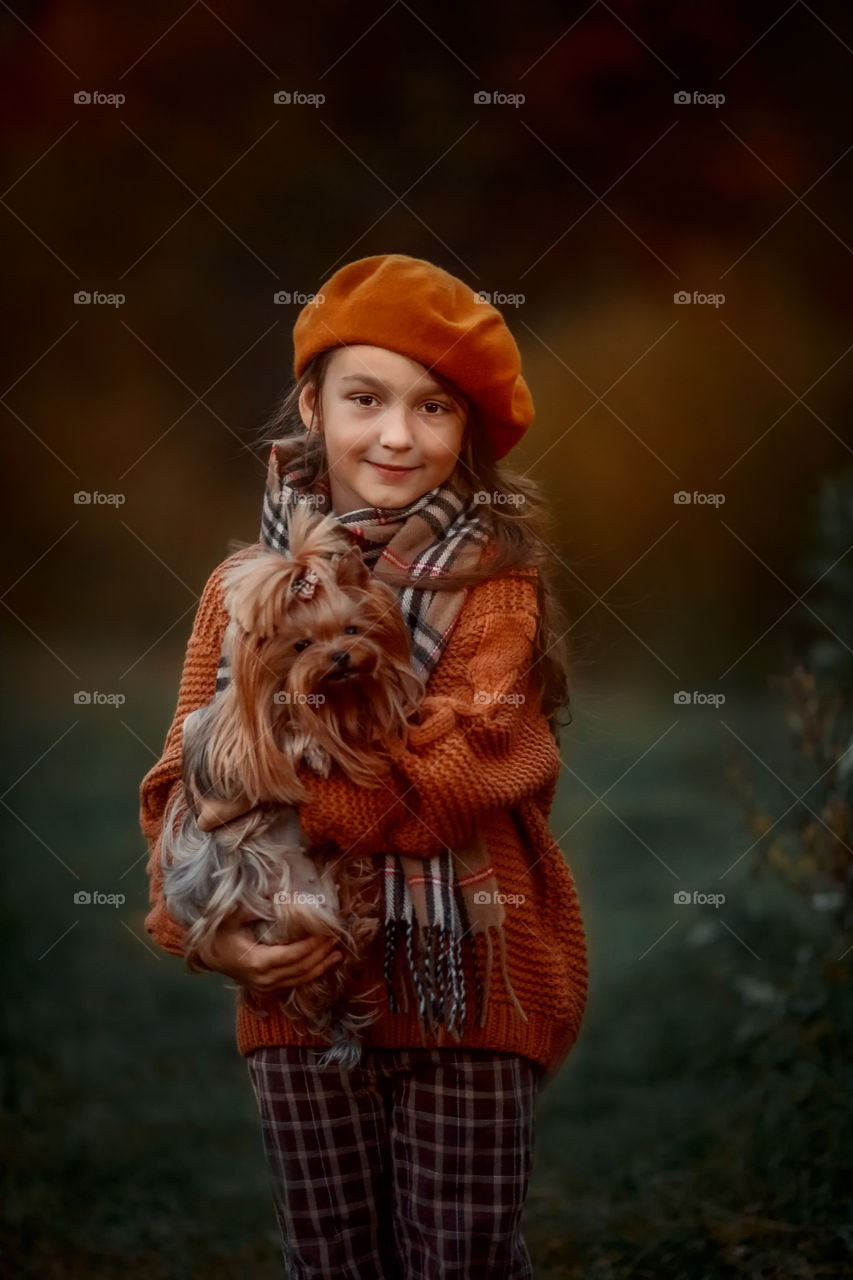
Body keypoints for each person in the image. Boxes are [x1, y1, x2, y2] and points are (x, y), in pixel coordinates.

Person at [139, 253, 588, 1279]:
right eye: (365, 397)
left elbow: (458, 779)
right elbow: (182, 781)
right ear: (311, 404)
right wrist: (212, 935)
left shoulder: (496, 586)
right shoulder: (238, 590)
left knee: (462, 1254)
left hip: (466, 982)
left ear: (466, 429)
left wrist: (280, 769)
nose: (396, 434)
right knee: (329, 1253)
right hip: (293, 985)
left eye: (433, 406)